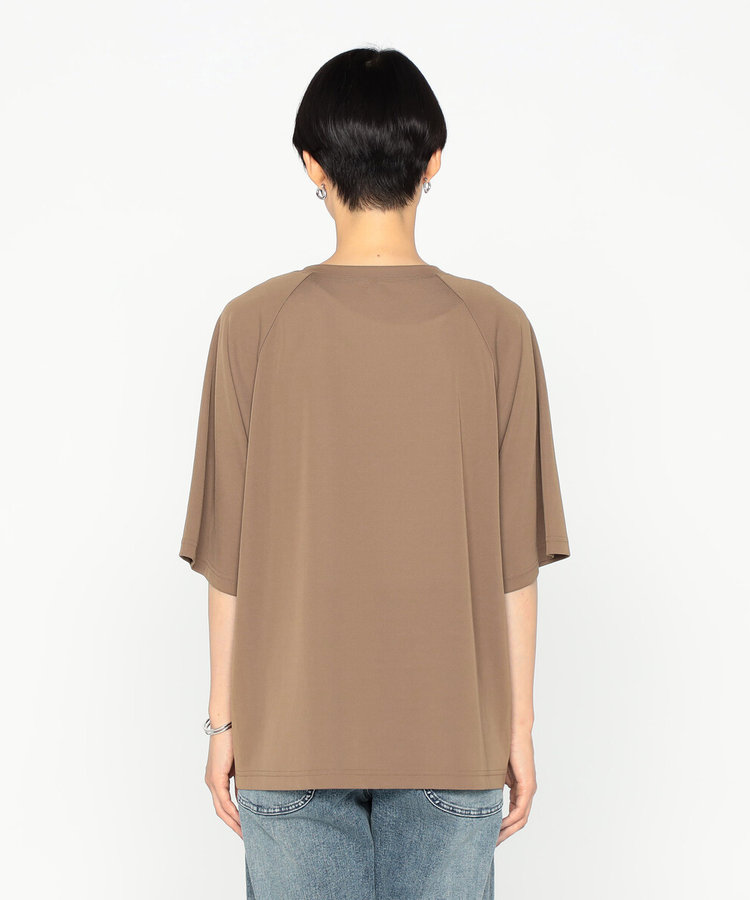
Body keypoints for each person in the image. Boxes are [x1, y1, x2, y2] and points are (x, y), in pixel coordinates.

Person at [178, 46, 571, 900]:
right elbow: (516, 565)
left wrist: (222, 723)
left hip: (289, 738)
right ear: (434, 161)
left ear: (311, 165)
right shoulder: (497, 329)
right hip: (454, 739)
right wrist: (519, 727)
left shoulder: (251, 327)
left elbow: (227, 562)